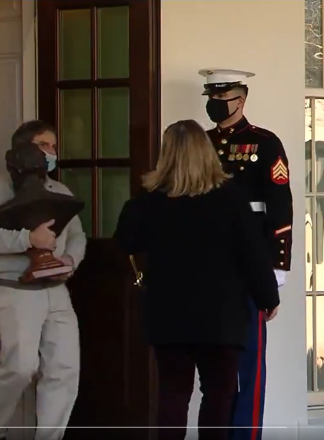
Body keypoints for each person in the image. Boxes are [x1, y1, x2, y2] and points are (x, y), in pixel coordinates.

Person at [113, 119, 280, 440]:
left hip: (169, 312)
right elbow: (254, 254)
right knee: (219, 396)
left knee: (173, 395)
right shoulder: (231, 198)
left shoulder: (149, 199)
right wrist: (267, 297)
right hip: (222, 315)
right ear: (206, 152)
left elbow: (124, 242)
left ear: (167, 154)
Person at [198, 68, 294, 440]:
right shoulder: (201, 143)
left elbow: (279, 203)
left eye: (223, 99)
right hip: (208, 262)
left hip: (250, 261)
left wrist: (277, 265)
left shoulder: (265, 143)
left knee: (250, 361)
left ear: (241, 100)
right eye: (212, 99)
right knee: (215, 363)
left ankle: (245, 434)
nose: (216, 105)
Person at [0, 120, 87, 440]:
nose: (51, 152)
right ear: (24, 148)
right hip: (14, 289)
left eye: (54, 146)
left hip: (56, 289)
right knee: (21, 366)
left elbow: (78, 236)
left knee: (64, 369)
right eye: (44, 145)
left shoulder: (60, 190)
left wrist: (69, 261)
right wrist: (28, 239)